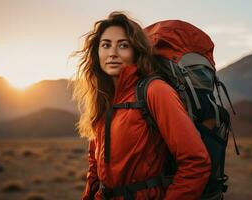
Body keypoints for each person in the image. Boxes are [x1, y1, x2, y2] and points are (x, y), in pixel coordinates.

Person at [73, 11, 211, 200]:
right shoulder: (104, 98)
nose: (113, 52)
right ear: (97, 52)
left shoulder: (155, 91)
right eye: (106, 45)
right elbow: (94, 165)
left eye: (123, 45)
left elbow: (196, 162)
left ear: (135, 51)